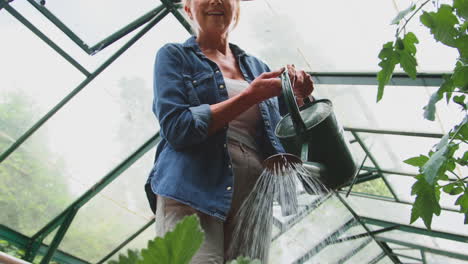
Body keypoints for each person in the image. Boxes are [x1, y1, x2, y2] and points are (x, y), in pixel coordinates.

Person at [144, 0, 314, 262]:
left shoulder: (259, 68)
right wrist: (248, 96)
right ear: (188, 9)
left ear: (236, 9)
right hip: (192, 191)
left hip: (253, 202)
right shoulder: (174, 56)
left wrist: (300, 100)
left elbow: (287, 137)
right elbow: (177, 127)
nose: (215, 1)